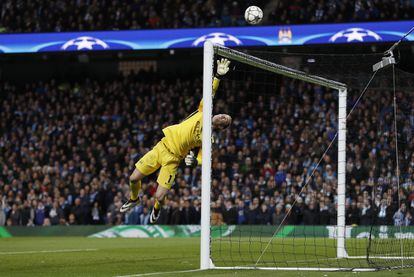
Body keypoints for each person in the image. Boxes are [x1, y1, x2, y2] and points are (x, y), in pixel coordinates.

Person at [120, 58, 232, 223]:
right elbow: (211, 92)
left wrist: (194, 162)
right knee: (133, 178)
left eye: (225, 120)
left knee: (159, 196)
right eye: (223, 114)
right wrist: (218, 76)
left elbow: (203, 158)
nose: (222, 116)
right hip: (162, 147)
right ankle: (134, 198)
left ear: (221, 127)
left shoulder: (208, 139)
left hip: (173, 159)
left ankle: (157, 208)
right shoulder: (204, 110)